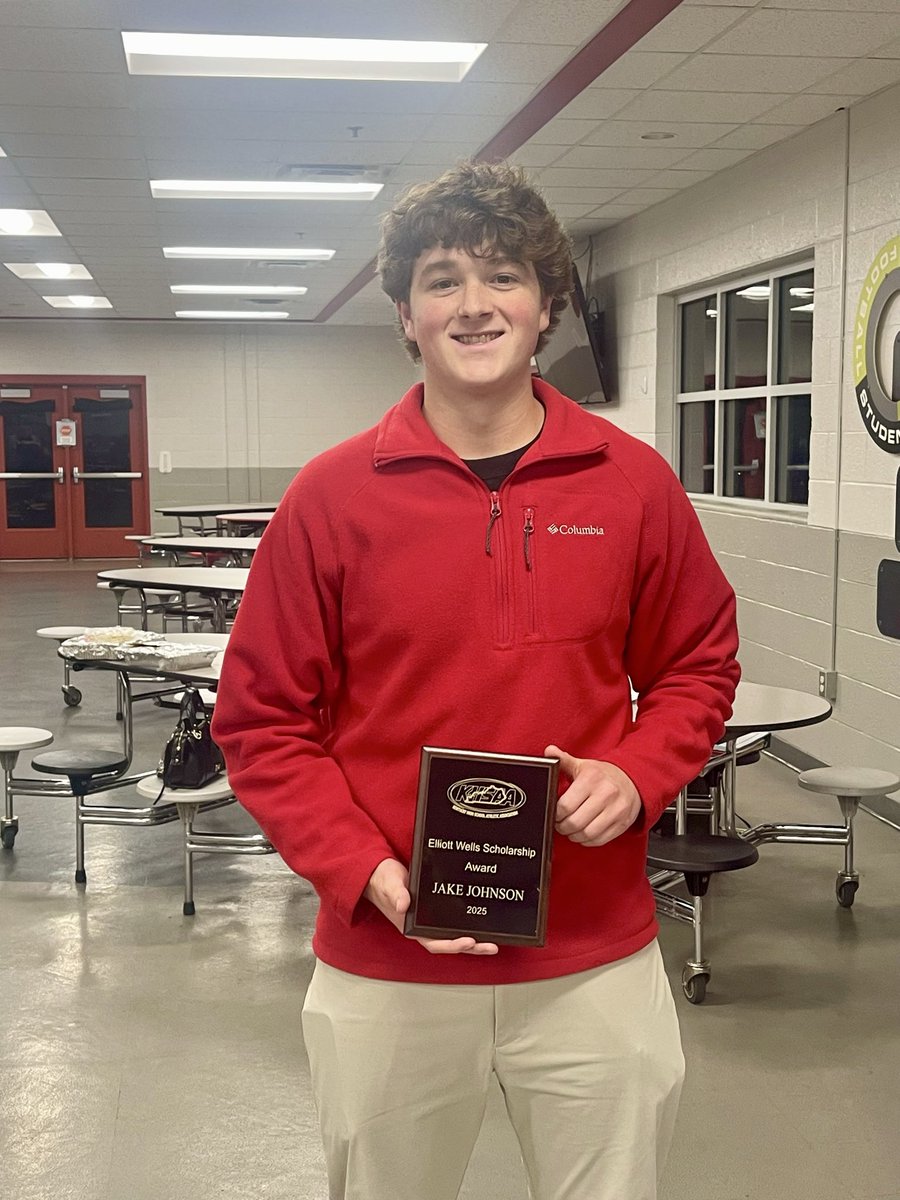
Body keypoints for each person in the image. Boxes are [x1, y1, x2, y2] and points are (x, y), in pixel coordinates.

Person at [212, 159, 740, 1200]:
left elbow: (695, 665)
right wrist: (364, 871)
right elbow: (263, 719)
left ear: (546, 305)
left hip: (592, 960)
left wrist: (637, 774)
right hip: (388, 962)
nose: (473, 304)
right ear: (406, 316)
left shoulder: (633, 485)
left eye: (502, 275)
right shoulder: (330, 498)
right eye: (442, 279)